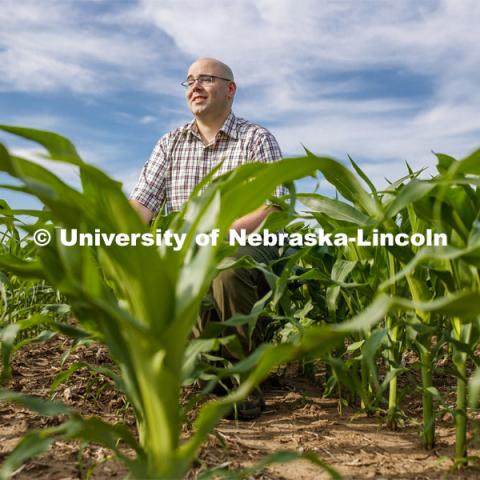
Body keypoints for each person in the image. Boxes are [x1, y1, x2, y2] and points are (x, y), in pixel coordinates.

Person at [129, 57, 286, 418]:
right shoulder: (170, 143)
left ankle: (243, 383)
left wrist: (218, 236)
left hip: (244, 245)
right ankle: (205, 370)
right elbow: (142, 205)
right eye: (188, 81)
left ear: (230, 90)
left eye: (206, 79)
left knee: (227, 270)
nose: (195, 86)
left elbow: (273, 206)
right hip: (185, 247)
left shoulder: (256, 139)